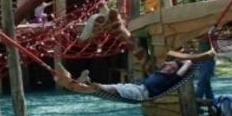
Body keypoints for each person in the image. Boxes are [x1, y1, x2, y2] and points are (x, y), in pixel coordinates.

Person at [66, 49, 214, 100]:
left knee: (113, 90)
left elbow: (185, 66)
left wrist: (188, 62)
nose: (170, 68)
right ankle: (86, 84)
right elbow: (166, 61)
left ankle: (92, 85)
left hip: (143, 93)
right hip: (136, 87)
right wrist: (174, 59)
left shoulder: (172, 79)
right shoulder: (159, 71)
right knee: (114, 87)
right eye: (169, 65)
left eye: (173, 68)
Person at [193, 37, 217, 101]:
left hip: (207, 61)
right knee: (207, 85)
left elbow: (215, 48)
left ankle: (197, 101)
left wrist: (209, 58)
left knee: (201, 82)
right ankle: (212, 104)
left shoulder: (210, 34)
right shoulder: (199, 34)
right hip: (200, 61)